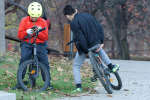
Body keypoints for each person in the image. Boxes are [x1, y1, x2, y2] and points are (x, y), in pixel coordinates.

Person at [63, 5, 119, 92]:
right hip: (96, 42)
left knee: (76, 65)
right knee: (99, 49)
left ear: (67, 16)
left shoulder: (73, 23)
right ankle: (111, 67)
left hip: (87, 46)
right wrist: (101, 42)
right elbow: (100, 27)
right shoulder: (88, 15)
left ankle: (78, 87)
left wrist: (85, 51)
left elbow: (80, 38)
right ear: (76, 10)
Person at [12, 2, 53, 90]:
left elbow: (45, 37)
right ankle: (20, 82)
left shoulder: (43, 21)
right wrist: (26, 32)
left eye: (36, 16)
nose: (34, 18)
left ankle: (47, 83)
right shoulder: (24, 20)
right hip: (26, 43)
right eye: (33, 16)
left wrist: (39, 33)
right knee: (24, 59)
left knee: (44, 61)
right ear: (29, 14)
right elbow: (20, 36)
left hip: (39, 43)